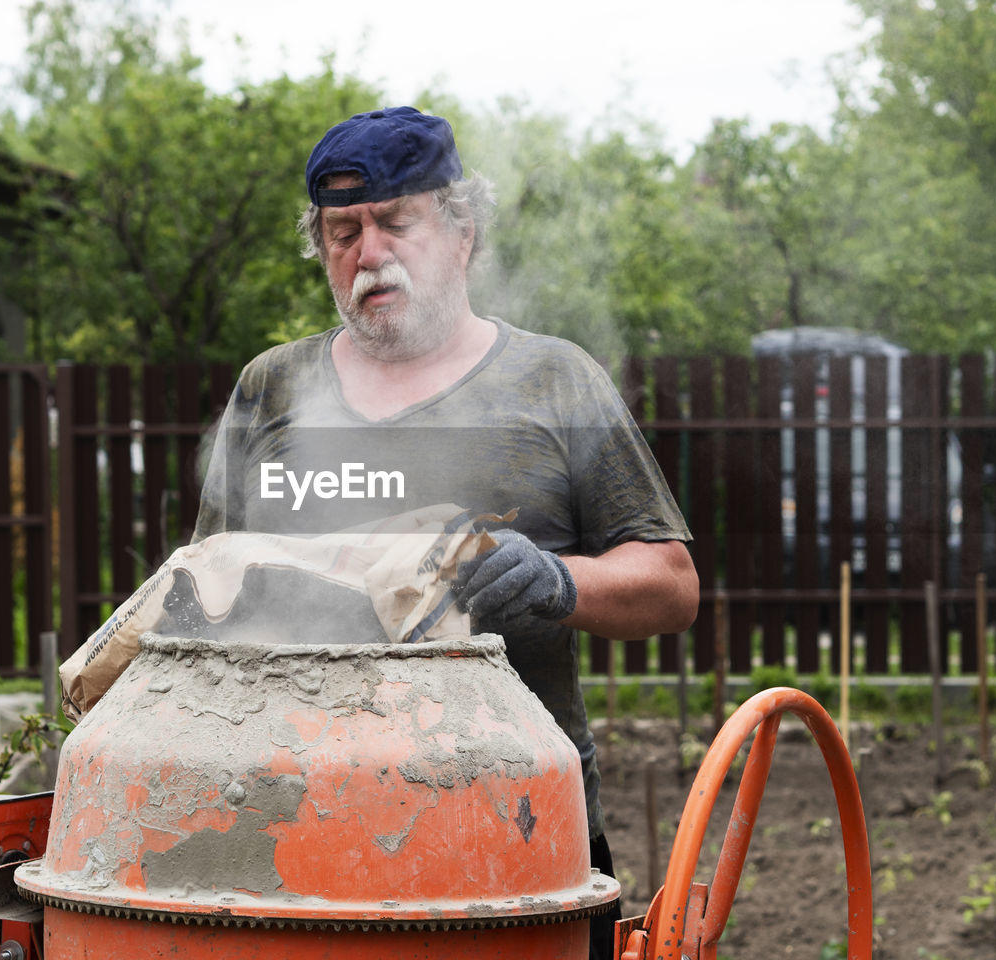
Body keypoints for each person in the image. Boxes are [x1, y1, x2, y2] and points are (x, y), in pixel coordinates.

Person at [192, 105, 699, 959]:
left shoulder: (554, 379)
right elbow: (203, 591)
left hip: (517, 832)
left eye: (396, 222)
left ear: (462, 232)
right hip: (296, 837)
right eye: (341, 231)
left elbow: (672, 584)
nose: (369, 253)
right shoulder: (271, 389)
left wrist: (560, 582)